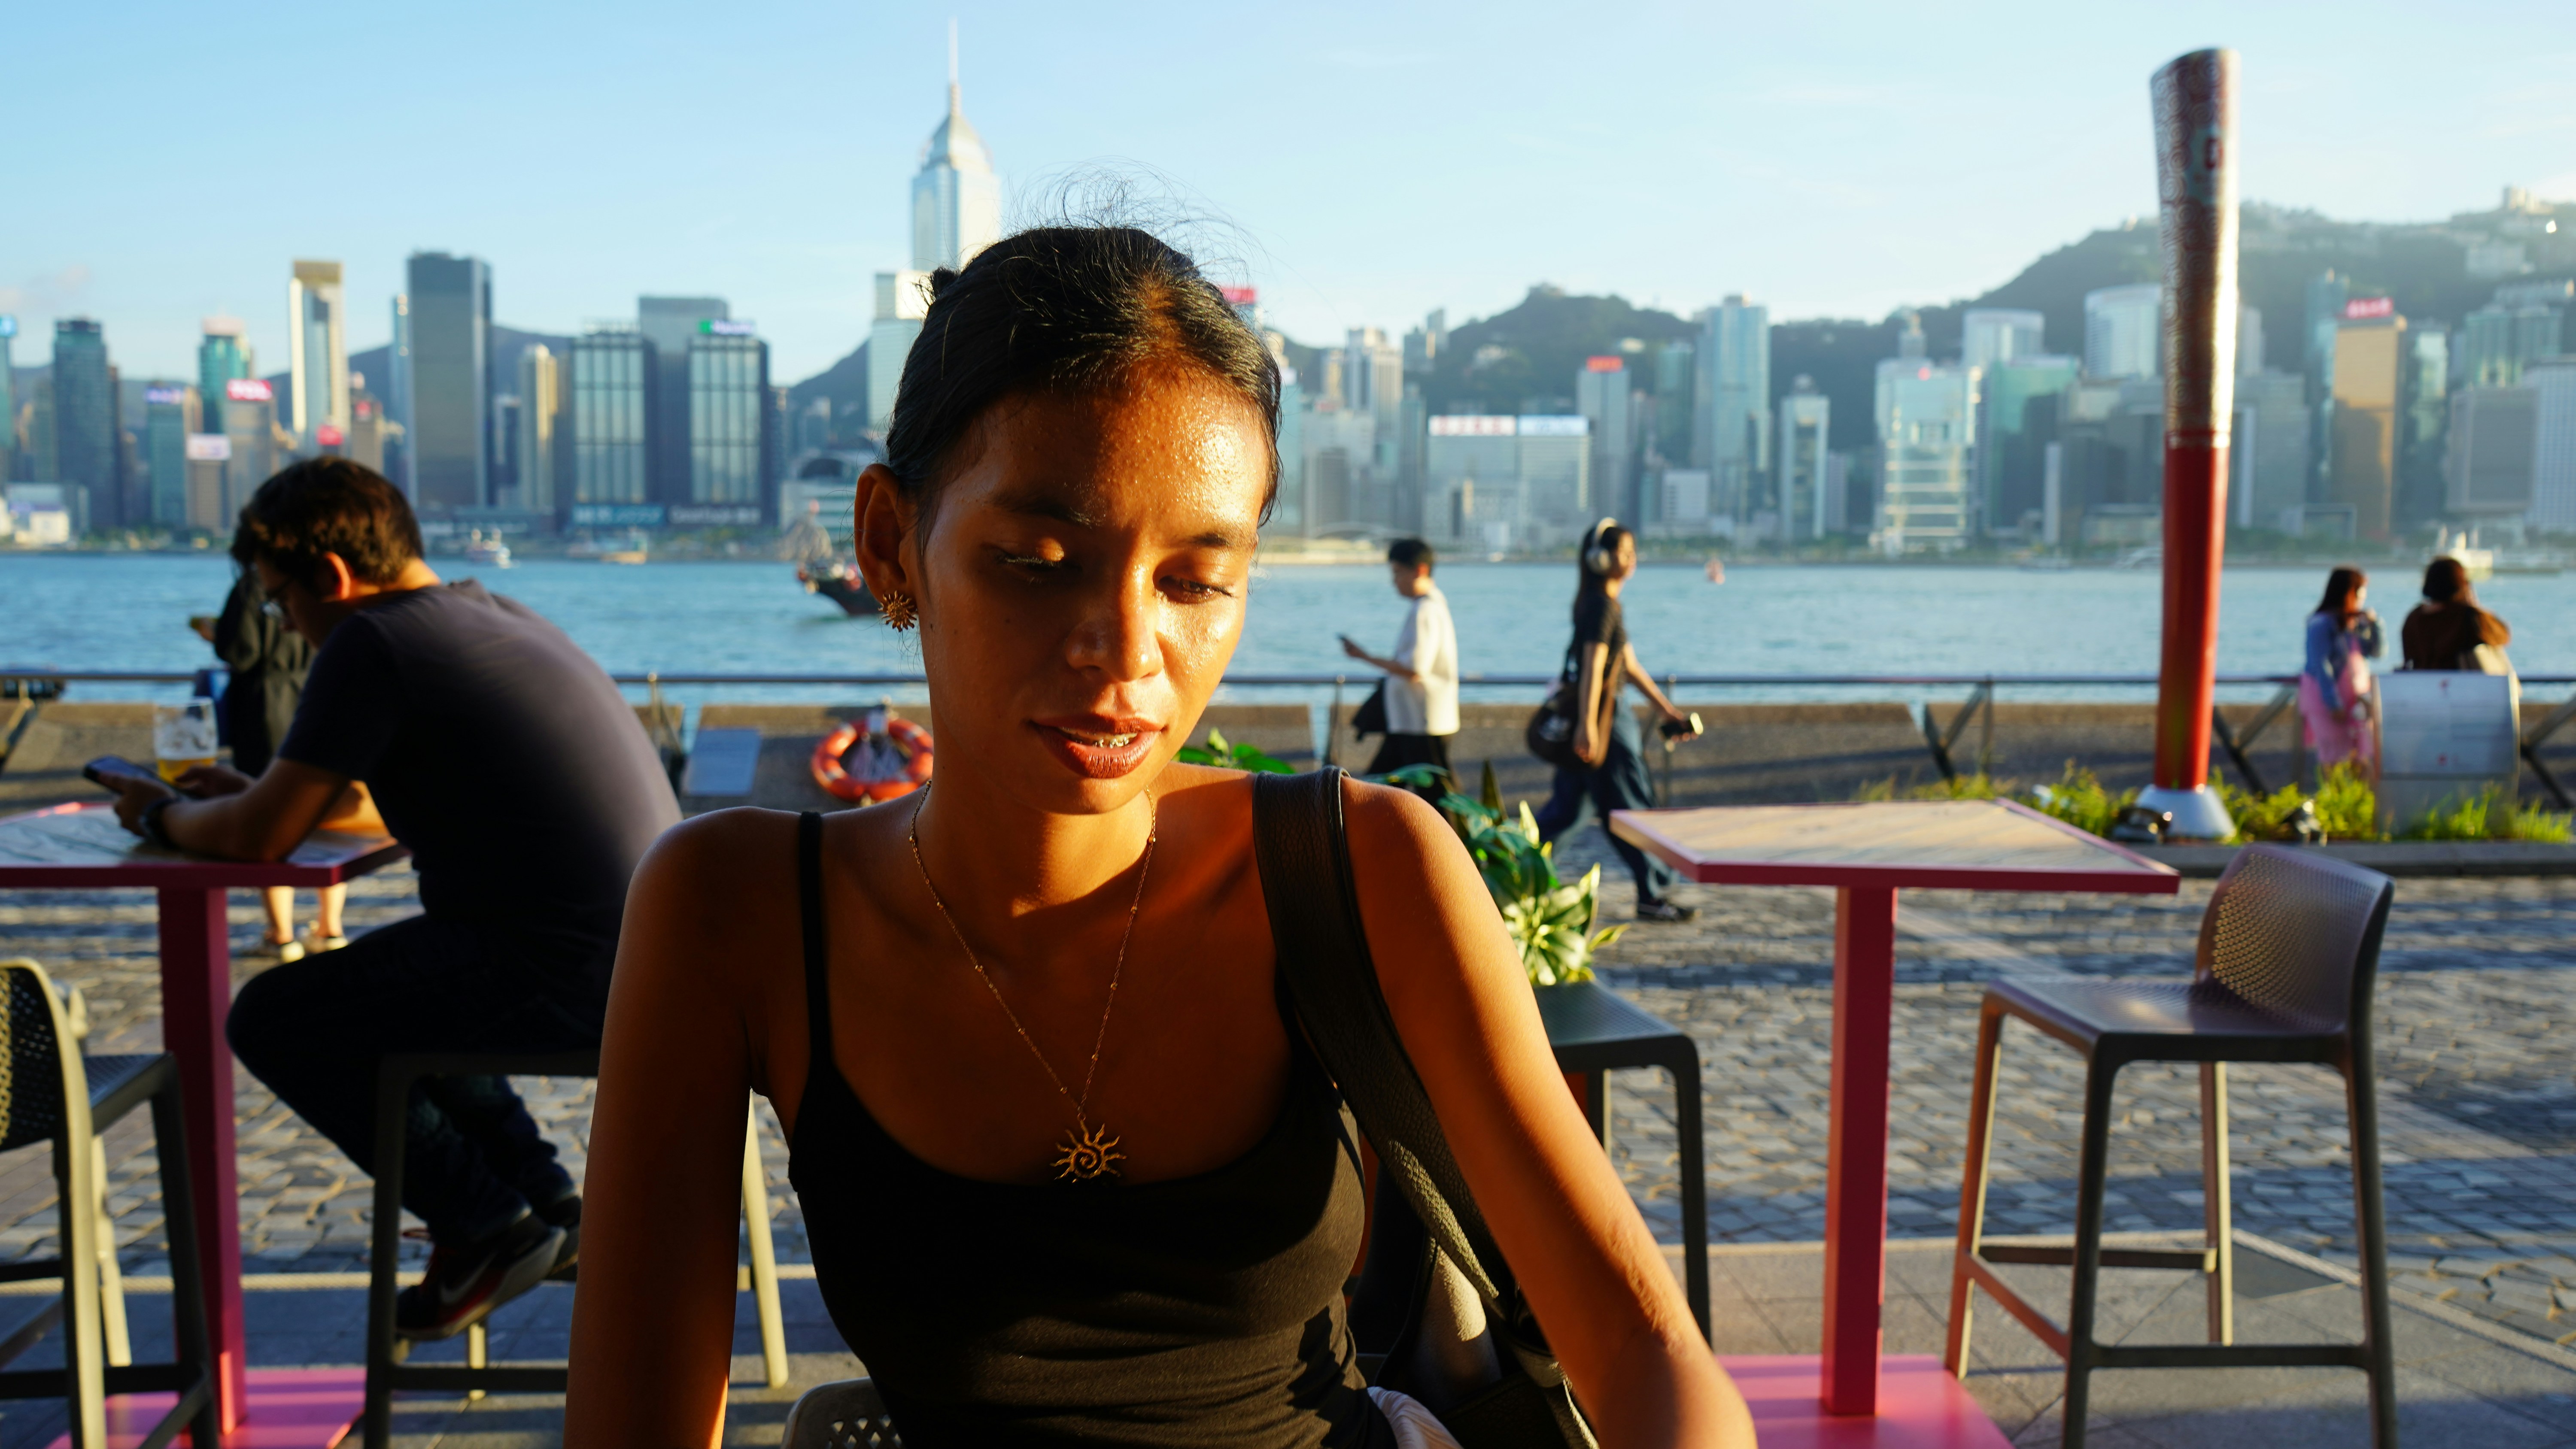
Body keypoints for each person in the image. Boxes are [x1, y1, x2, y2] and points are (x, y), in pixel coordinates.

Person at [565, 227, 1753, 1449]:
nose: (1126, 654)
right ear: (889, 545)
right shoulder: (737, 912)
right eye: (1034, 563)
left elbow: (1643, 1346)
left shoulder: (1361, 867)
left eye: (1194, 582)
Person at [102, 458, 680, 1341]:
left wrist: (165, 810)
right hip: (647, 969)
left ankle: (486, 1225)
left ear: (332, 576)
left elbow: (263, 840)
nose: (284, 623)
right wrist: (256, 793)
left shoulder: (372, 640)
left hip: (563, 976)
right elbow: (356, 803)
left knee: (275, 1016)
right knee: (407, 990)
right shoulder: (492, 611)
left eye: (279, 601)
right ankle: (550, 1206)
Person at [1533, 520, 1703, 924]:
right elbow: (1594, 666)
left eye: (1632, 552)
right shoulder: (1601, 606)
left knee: (1569, 812)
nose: (1632, 560)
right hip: (1607, 724)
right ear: (1601, 559)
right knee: (1631, 809)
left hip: (1604, 718)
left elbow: (1626, 663)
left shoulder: (1600, 604)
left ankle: (1516, 877)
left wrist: (1666, 710)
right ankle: (1653, 894)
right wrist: (1588, 726)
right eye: (1625, 552)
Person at [204, 569, 349, 962]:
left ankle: (280, 933)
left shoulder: (257, 585)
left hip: (264, 708)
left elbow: (240, 650)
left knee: (268, 814)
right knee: (324, 815)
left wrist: (213, 633)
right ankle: (330, 926)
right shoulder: (313, 583)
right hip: (313, 695)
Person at [1340, 537, 1459, 792]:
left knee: (1429, 795)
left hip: (1420, 721)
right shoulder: (1433, 605)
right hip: (1412, 719)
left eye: (1397, 573)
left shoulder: (1425, 610)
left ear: (1420, 571)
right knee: (1385, 787)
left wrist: (1364, 656)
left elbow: (1414, 670)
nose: (1394, 581)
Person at [2298, 566, 2383, 776]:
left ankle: (2356, 803)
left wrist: (2374, 625)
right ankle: (2337, 802)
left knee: (2360, 756)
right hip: (2327, 700)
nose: (2363, 598)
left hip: (2355, 700)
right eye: (2360, 592)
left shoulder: (2355, 623)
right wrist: (2332, 703)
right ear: (2350, 593)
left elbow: (2376, 651)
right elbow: (2321, 665)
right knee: (2333, 758)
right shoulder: (2321, 624)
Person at [2401, 556, 2513, 672]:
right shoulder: (2466, 616)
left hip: (2422, 685)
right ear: (2462, 584)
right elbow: (2503, 636)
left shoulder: (2414, 618)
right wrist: (2474, 604)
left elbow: (2409, 657)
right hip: (2460, 686)